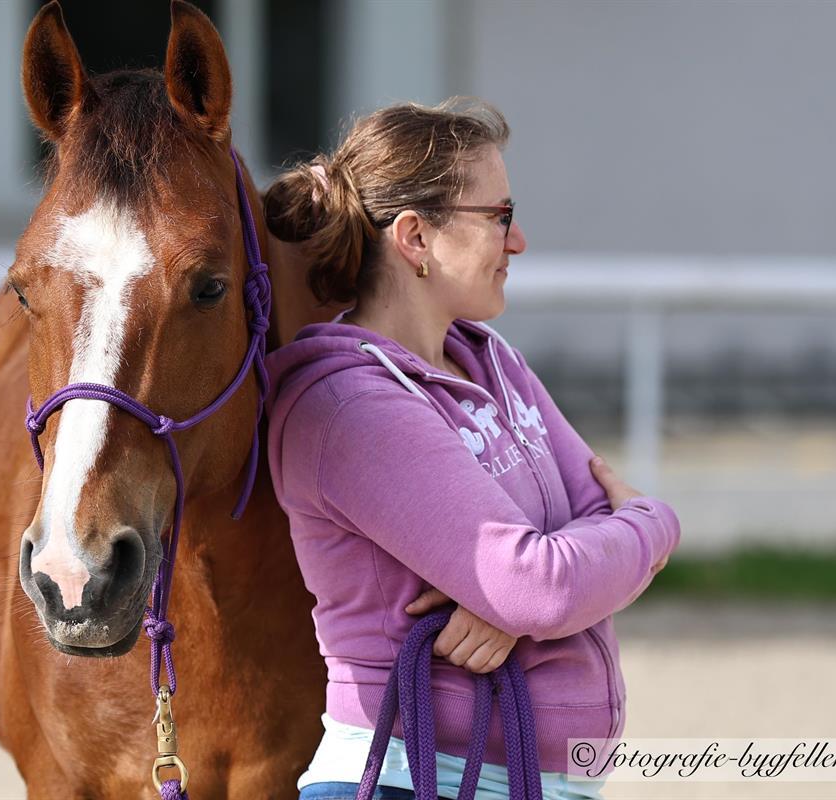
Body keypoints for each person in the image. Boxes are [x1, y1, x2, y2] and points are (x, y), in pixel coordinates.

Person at [262, 98, 681, 800]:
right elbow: (546, 585)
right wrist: (655, 524)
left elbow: (542, 572)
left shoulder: (490, 359)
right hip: (414, 779)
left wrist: (514, 597)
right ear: (416, 239)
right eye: (500, 217)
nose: (517, 242)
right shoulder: (348, 406)